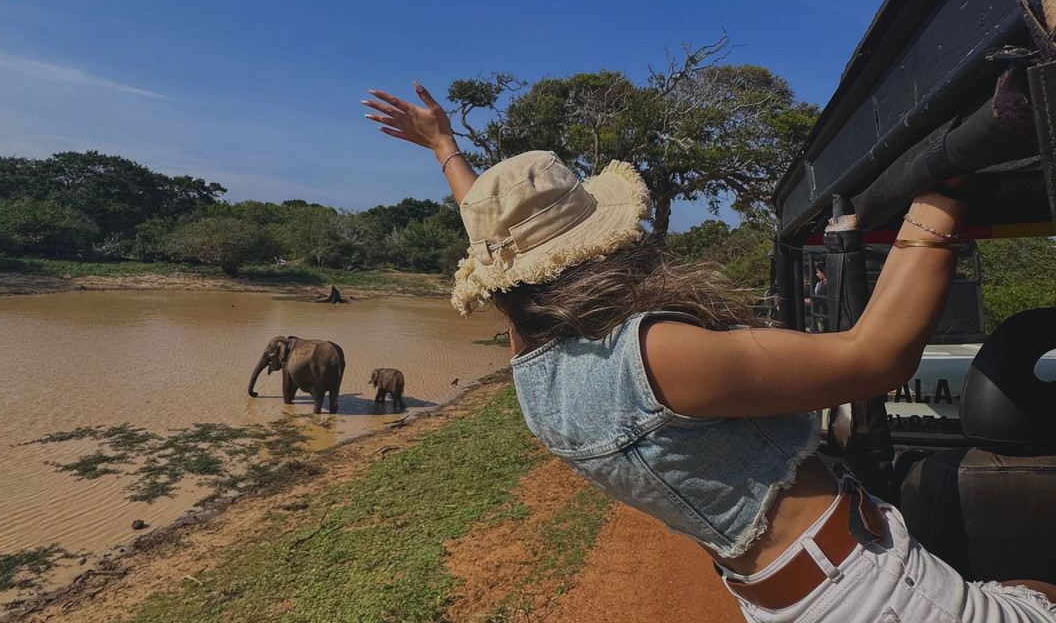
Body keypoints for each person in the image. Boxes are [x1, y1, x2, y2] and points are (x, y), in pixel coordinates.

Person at [363, 83, 1056, 622]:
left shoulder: (533, 363)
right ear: (603, 249)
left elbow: (509, 247)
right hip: (877, 594)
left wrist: (445, 148)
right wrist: (947, 180)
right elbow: (876, 356)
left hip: (793, 597)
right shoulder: (660, 355)